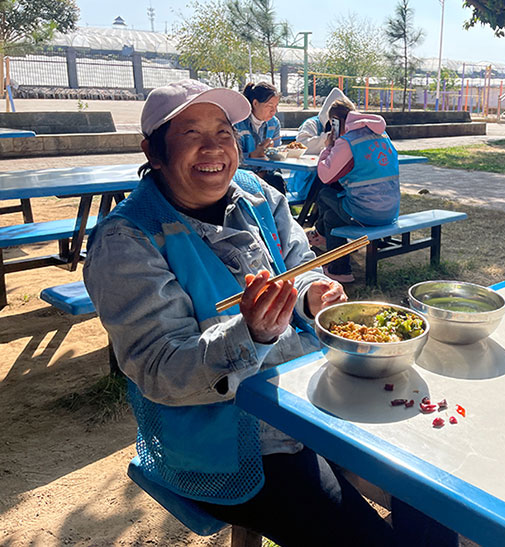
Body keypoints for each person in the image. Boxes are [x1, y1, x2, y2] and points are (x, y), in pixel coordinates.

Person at [83, 79, 403, 546]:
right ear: (153, 152)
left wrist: (313, 292)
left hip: (307, 399)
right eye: (192, 134)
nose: (214, 149)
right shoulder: (127, 241)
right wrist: (249, 334)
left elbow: (297, 265)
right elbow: (159, 371)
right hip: (229, 445)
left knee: (433, 492)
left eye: (224, 132)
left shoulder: (254, 193)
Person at [309, 99, 400, 283]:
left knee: (325, 194)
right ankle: (324, 240)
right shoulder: (382, 135)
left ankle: (337, 265)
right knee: (331, 217)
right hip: (391, 211)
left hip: (366, 213)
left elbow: (325, 175)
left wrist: (328, 147)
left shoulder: (348, 141)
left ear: (335, 122)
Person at [286, 87, 349, 218]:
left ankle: (321, 225)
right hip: (308, 178)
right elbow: (303, 144)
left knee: (338, 187)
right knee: (329, 189)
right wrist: (327, 138)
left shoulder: (348, 127)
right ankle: (321, 226)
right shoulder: (312, 124)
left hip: (331, 175)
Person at [235, 81, 286, 194]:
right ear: (255, 103)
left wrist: (273, 153)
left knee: (276, 180)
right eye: (269, 106)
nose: (274, 111)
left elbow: (276, 157)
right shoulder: (237, 123)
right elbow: (231, 158)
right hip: (242, 175)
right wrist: (252, 155)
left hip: (267, 173)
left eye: (276, 106)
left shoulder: (274, 123)